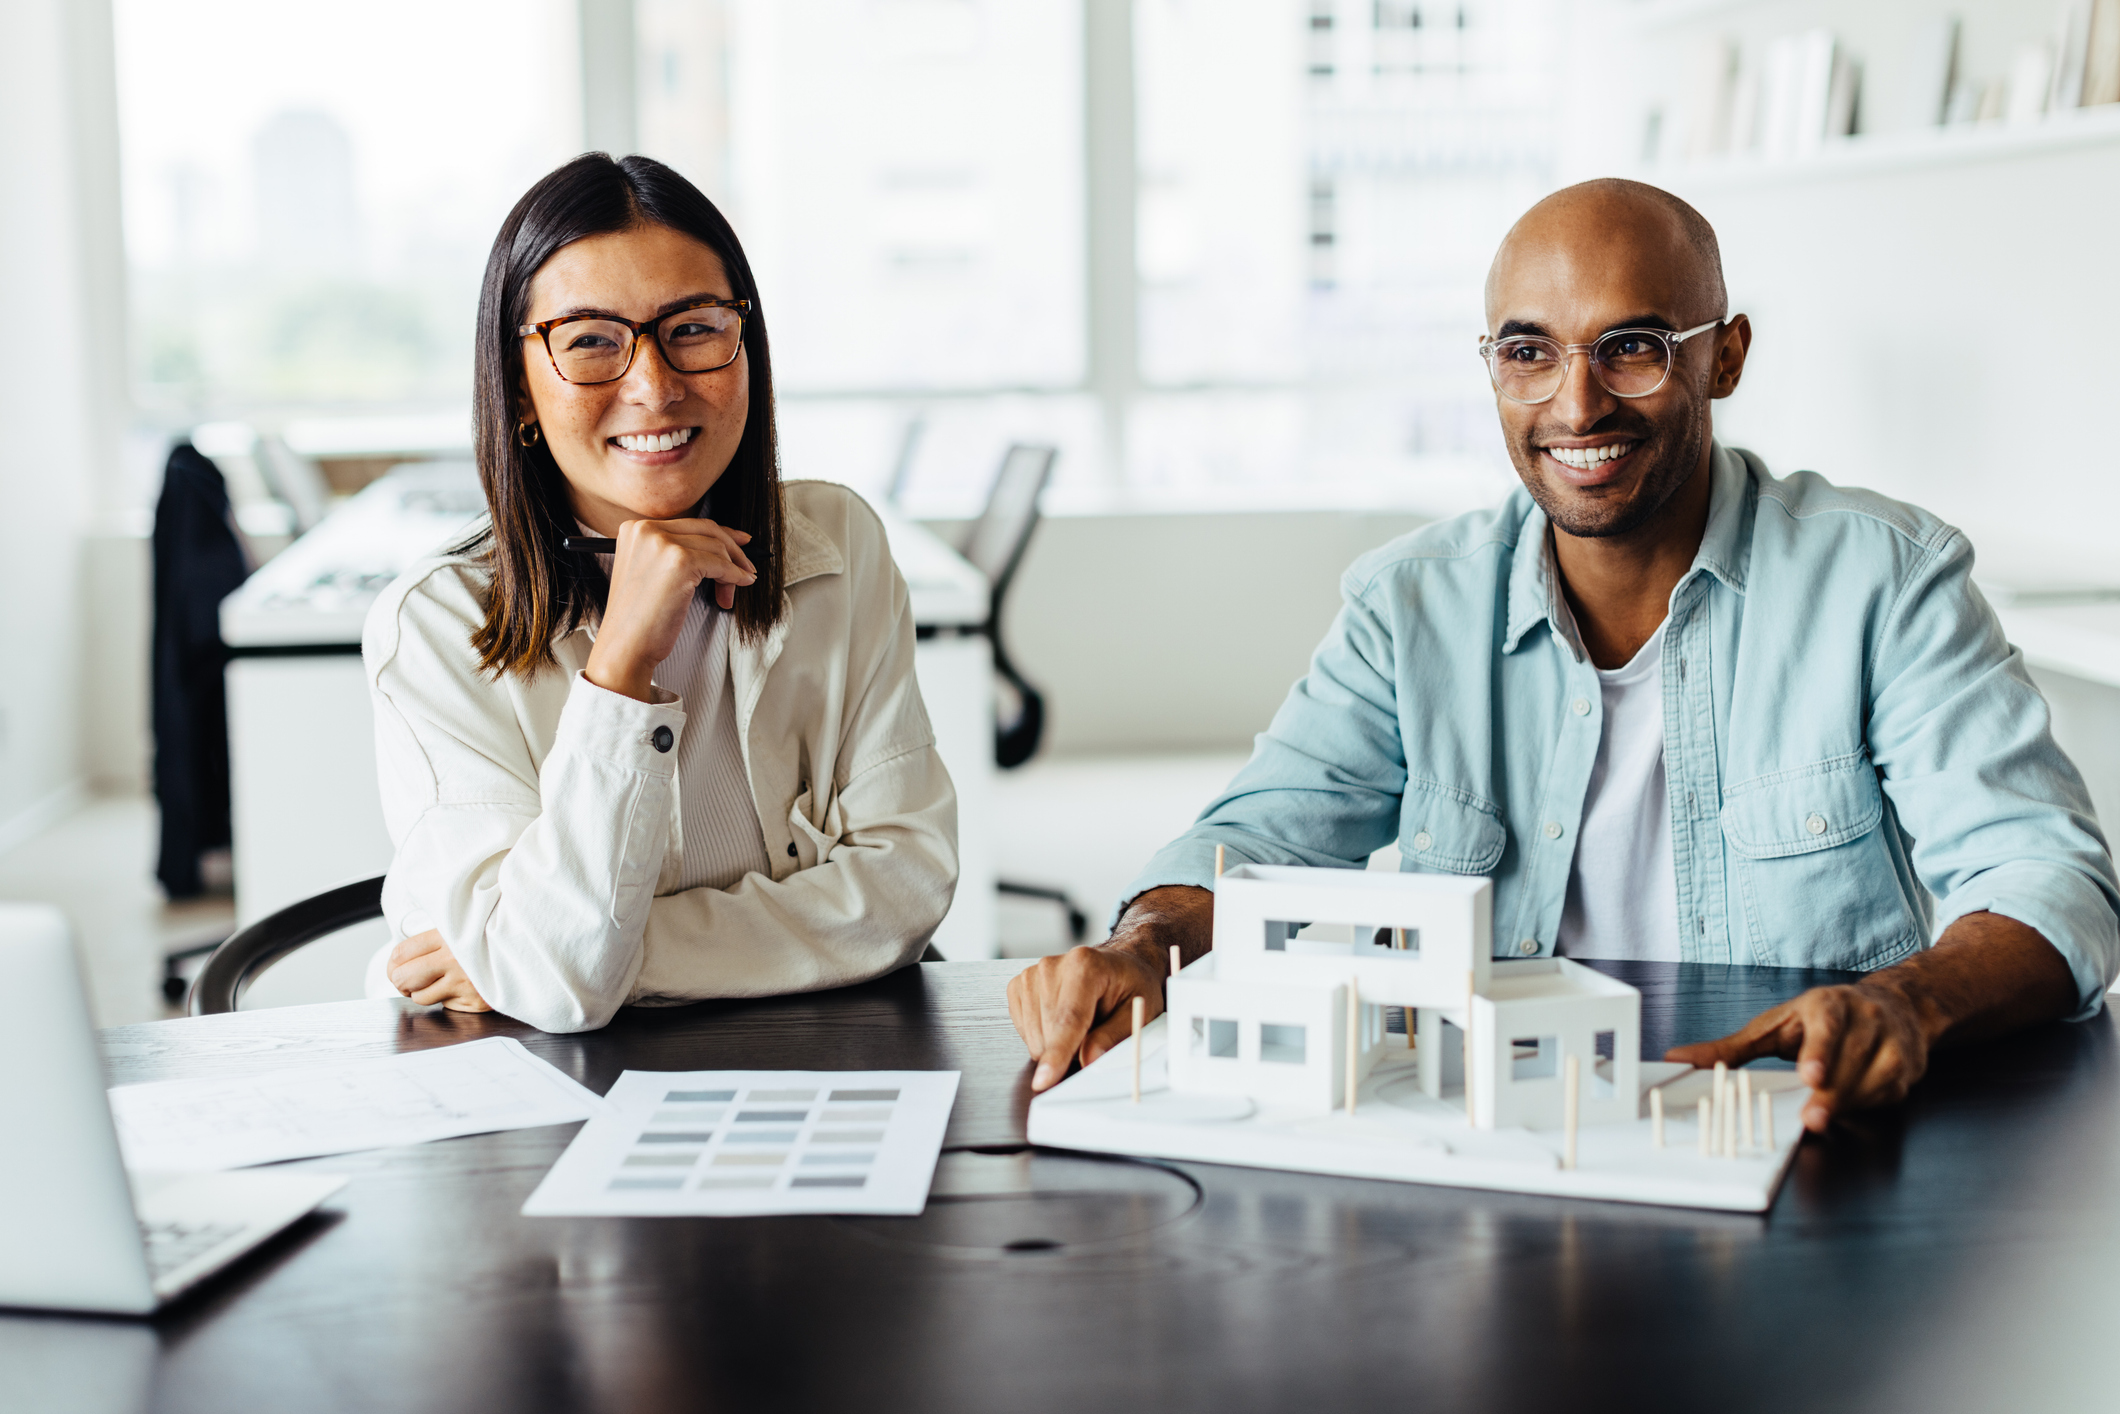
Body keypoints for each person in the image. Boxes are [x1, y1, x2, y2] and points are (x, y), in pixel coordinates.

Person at [1008, 178, 2120, 1133]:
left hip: (1786, 1123)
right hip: (1493, 1126)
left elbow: (2048, 877)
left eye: (1631, 347)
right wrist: (1144, 944)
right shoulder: (1411, 604)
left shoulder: (1884, 578)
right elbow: (1251, 839)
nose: (1574, 401)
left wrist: (1905, 1000)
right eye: (1526, 352)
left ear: (1723, 358)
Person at [362, 154, 958, 1033]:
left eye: (693, 328)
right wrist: (622, 664)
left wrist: (574, 957)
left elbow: (905, 884)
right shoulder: (439, 627)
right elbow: (556, 986)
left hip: (810, 1059)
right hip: (531, 1102)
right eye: (592, 341)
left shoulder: (838, 549)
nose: (654, 385)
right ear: (520, 390)